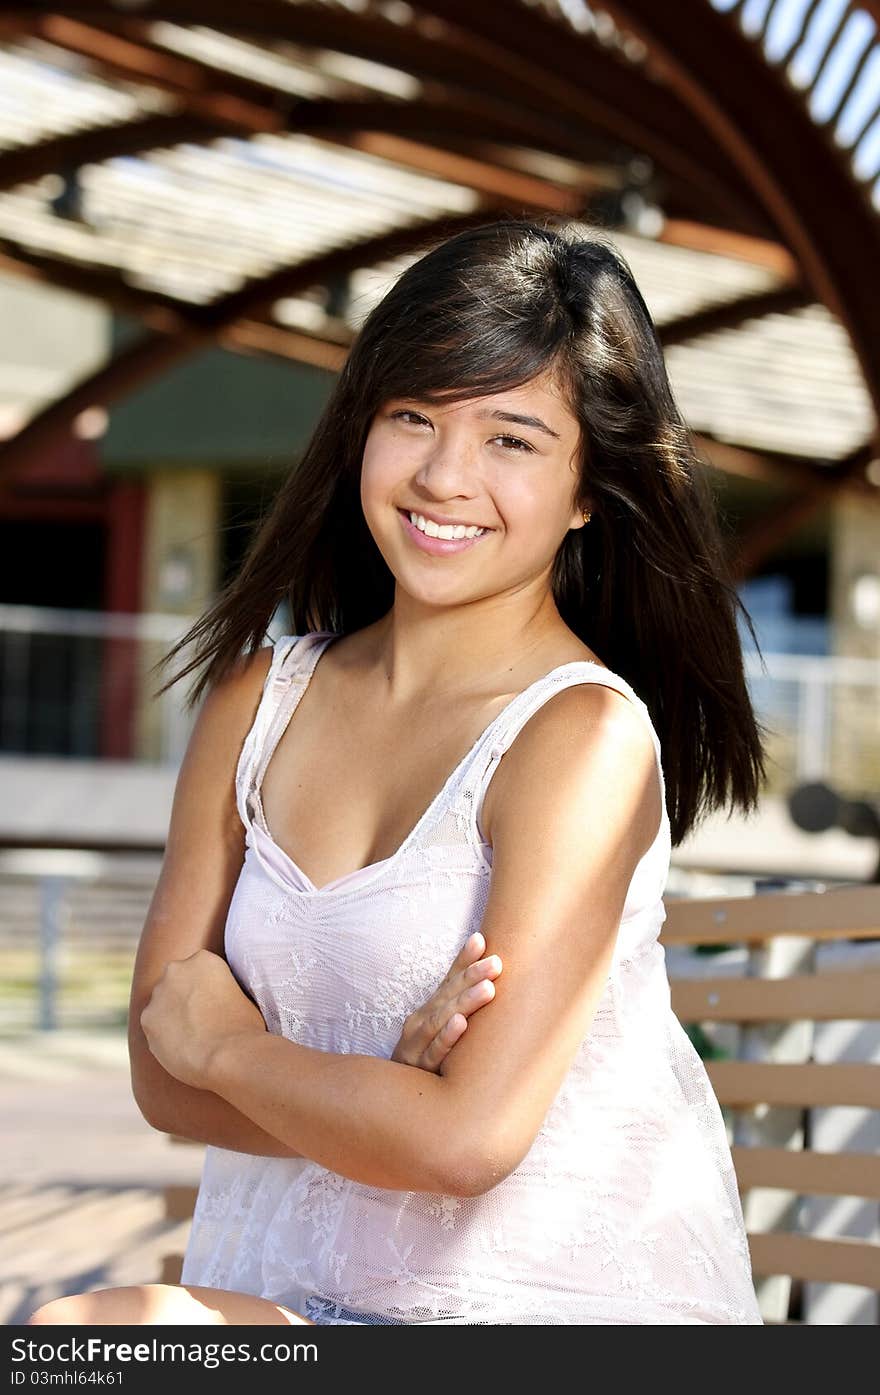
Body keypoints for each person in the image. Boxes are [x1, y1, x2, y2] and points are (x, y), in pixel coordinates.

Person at [29, 217, 768, 1327]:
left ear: (585, 490)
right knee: (85, 1343)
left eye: (510, 440)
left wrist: (238, 1048)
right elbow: (158, 1073)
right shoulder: (253, 705)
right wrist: (390, 1090)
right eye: (411, 417)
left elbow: (462, 1141)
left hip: (537, 1311)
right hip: (310, 1308)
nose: (443, 476)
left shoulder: (582, 742)